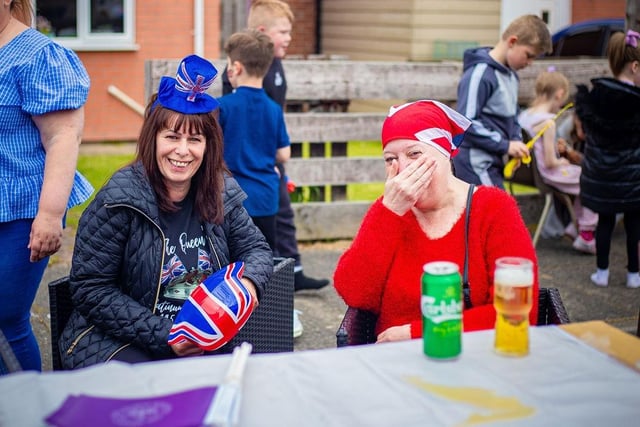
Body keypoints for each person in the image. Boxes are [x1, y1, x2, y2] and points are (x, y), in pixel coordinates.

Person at [57, 55, 273, 369]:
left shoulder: (219, 190)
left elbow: (257, 249)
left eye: (194, 139)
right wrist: (167, 335)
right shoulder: (119, 199)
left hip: (205, 337)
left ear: (207, 146)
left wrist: (249, 283)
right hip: (116, 339)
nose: (182, 151)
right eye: (171, 137)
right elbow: (91, 289)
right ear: (153, 139)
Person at [333, 100, 539, 342]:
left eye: (414, 154)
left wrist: (416, 334)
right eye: (391, 159)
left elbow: (516, 315)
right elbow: (355, 294)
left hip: (474, 360)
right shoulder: (390, 211)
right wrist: (388, 212)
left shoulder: (494, 209)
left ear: (444, 153)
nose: (403, 170)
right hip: (394, 363)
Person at [0, 0, 93, 373]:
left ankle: (25, 409)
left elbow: (64, 137)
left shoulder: (38, 57)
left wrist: (50, 215)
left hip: (23, 209)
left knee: (5, 320)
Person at [222, 0, 330, 292]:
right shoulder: (245, 75)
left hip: (265, 168)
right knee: (256, 240)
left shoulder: (273, 68)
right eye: (283, 31)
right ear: (262, 32)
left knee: (280, 221)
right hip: (257, 171)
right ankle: (268, 289)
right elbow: (242, 128)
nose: (289, 37)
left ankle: (289, 275)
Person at [453, 14, 552, 189]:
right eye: (528, 55)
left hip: (493, 163)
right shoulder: (480, 74)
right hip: (475, 164)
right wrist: (505, 145)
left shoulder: (512, 76)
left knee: (492, 214)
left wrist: (516, 143)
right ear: (512, 42)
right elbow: (465, 122)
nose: (529, 63)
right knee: (497, 213)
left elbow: (513, 116)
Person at [575, 29, 640, 288]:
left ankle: (601, 273)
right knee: (634, 223)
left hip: (603, 175)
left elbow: (588, 136)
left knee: (605, 221)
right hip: (633, 178)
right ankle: (633, 275)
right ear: (635, 66)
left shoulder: (594, 99)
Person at [218, 29, 291, 251]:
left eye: (229, 63)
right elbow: (284, 154)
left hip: (232, 199)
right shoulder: (273, 109)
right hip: (267, 199)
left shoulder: (222, 106)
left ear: (236, 68)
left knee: (231, 260)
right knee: (263, 259)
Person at [518, 69, 598, 254]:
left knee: (583, 183)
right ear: (560, 94)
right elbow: (549, 161)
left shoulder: (525, 116)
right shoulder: (548, 122)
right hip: (548, 174)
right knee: (591, 180)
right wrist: (562, 161)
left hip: (525, 173)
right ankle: (586, 233)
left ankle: (575, 227)